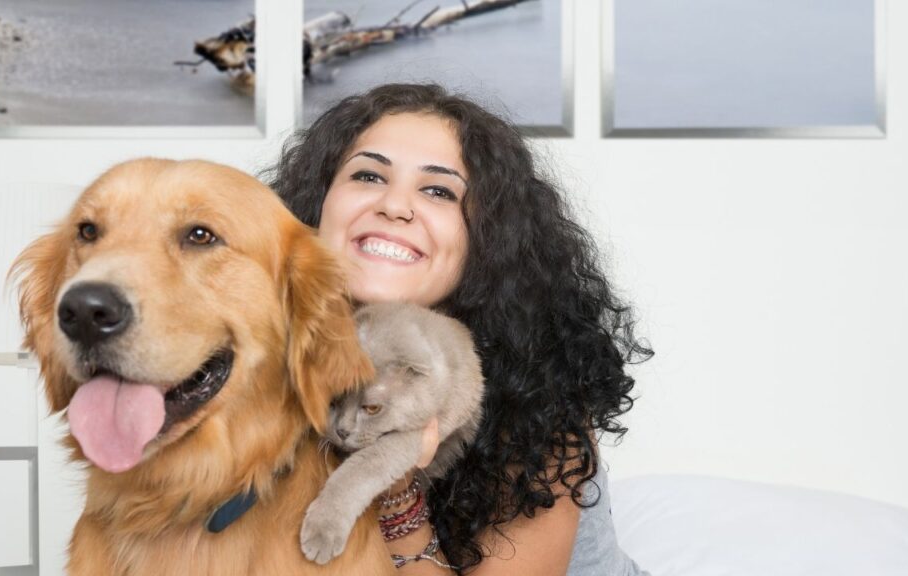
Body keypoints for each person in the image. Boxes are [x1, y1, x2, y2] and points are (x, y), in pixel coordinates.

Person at [266, 83, 652, 575]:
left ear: (485, 239)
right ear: (319, 206)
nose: (395, 205)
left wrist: (394, 482)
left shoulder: (537, 397)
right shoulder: (257, 357)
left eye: (437, 190)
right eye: (368, 175)